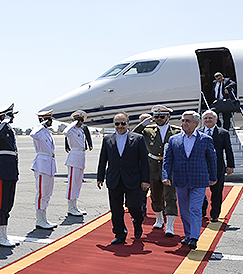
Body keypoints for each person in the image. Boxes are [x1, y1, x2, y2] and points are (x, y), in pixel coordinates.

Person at [162, 111, 217, 250]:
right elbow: (168, 160)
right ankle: (188, 234)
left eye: (187, 121)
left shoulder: (205, 139)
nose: (184, 123)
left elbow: (212, 160)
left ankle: (194, 237)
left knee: (195, 209)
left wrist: (213, 177)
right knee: (184, 210)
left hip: (199, 180)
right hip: (180, 180)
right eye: (183, 120)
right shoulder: (174, 139)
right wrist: (165, 176)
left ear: (196, 123)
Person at [97, 113, 151, 245]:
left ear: (128, 123)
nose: (120, 126)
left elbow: (144, 161)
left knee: (134, 206)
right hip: (114, 179)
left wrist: (145, 180)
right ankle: (120, 234)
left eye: (123, 123)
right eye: (117, 124)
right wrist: (100, 177)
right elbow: (103, 159)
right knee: (116, 209)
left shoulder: (138, 139)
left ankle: (137, 222)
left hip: (132, 179)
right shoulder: (107, 139)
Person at [141, 105, 180, 236]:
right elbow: (134, 134)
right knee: (155, 195)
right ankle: (159, 219)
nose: (159, 119)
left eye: (162, 116)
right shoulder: (148, 130)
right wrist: (143, 123)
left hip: (169, 166)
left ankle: (170, 225)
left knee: (170, 195)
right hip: (153, 166)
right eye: (156, 116)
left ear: (168, 117)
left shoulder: (176, 131)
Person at [0, 104, 19, 247]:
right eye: (10, 115)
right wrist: (4, 121)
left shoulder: (9, 129)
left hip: (11, 169)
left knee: (9, 203)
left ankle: (4, 234)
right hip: (3, 170)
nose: (12, 118)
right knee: (1, 203)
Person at [200, 110, 235, 222]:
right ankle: (202, 210)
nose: (208, 120)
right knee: (199, 191)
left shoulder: (223, 133)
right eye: (205, 118)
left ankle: (215, 214)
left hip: (217, 167)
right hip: (200, 167)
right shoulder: (198, 132)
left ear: (216, 120)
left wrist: (230, 165)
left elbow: (228, 150)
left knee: (217, 192)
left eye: (210, 118)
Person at [30, 110, 57, 229]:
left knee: (47, 192)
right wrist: (42, 123)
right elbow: (32, 134)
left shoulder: (47, 132)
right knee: (41, 192)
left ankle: (44, 218)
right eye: (49, 119)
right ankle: (39, 219)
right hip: (42, 165)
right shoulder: (39, 131)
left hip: (49, 164)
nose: (51, 122)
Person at [63, 110, 91, 217]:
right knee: (72, 183)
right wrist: (73, 123)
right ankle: (70, 207)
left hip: (81, 156)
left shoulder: (81, 130)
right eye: (79, 120)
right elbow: (65, 132)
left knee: (78, 183)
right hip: (74, 157)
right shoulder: (71, 131)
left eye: (82, 121)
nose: (80, 123)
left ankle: (74, 206)